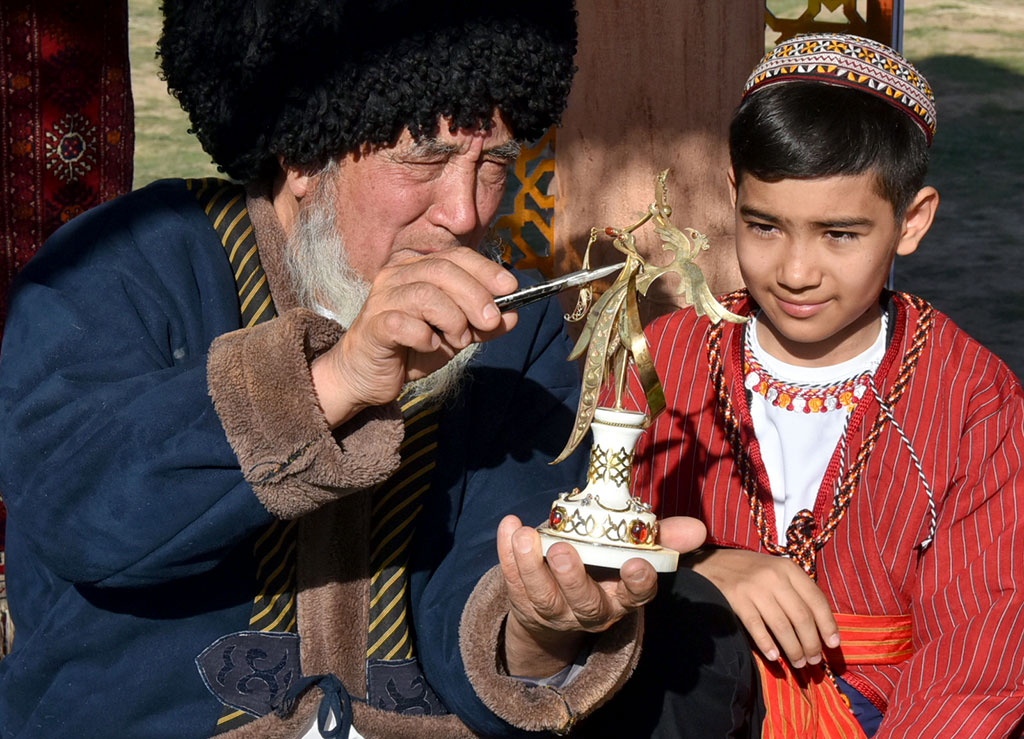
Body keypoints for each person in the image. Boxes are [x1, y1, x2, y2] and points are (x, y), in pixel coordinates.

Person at [0, 2, 706, 737]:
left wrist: (541, 627)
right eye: (425, 159)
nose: (464, 213)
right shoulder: (126, 263)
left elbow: (487, 609)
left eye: (492, 162)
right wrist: (335, 377)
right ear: (306, 155)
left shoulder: (514, 327)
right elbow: (73, 507)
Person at [611, 33, 1024, 738]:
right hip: (680, 699)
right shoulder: (667, 359)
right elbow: (591, 537)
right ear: (734, 195)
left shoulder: (972, 398)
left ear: (911, 221)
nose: (796, 271)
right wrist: (701, 567)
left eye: (839, 234)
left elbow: (979, 655)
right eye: (765, 226)